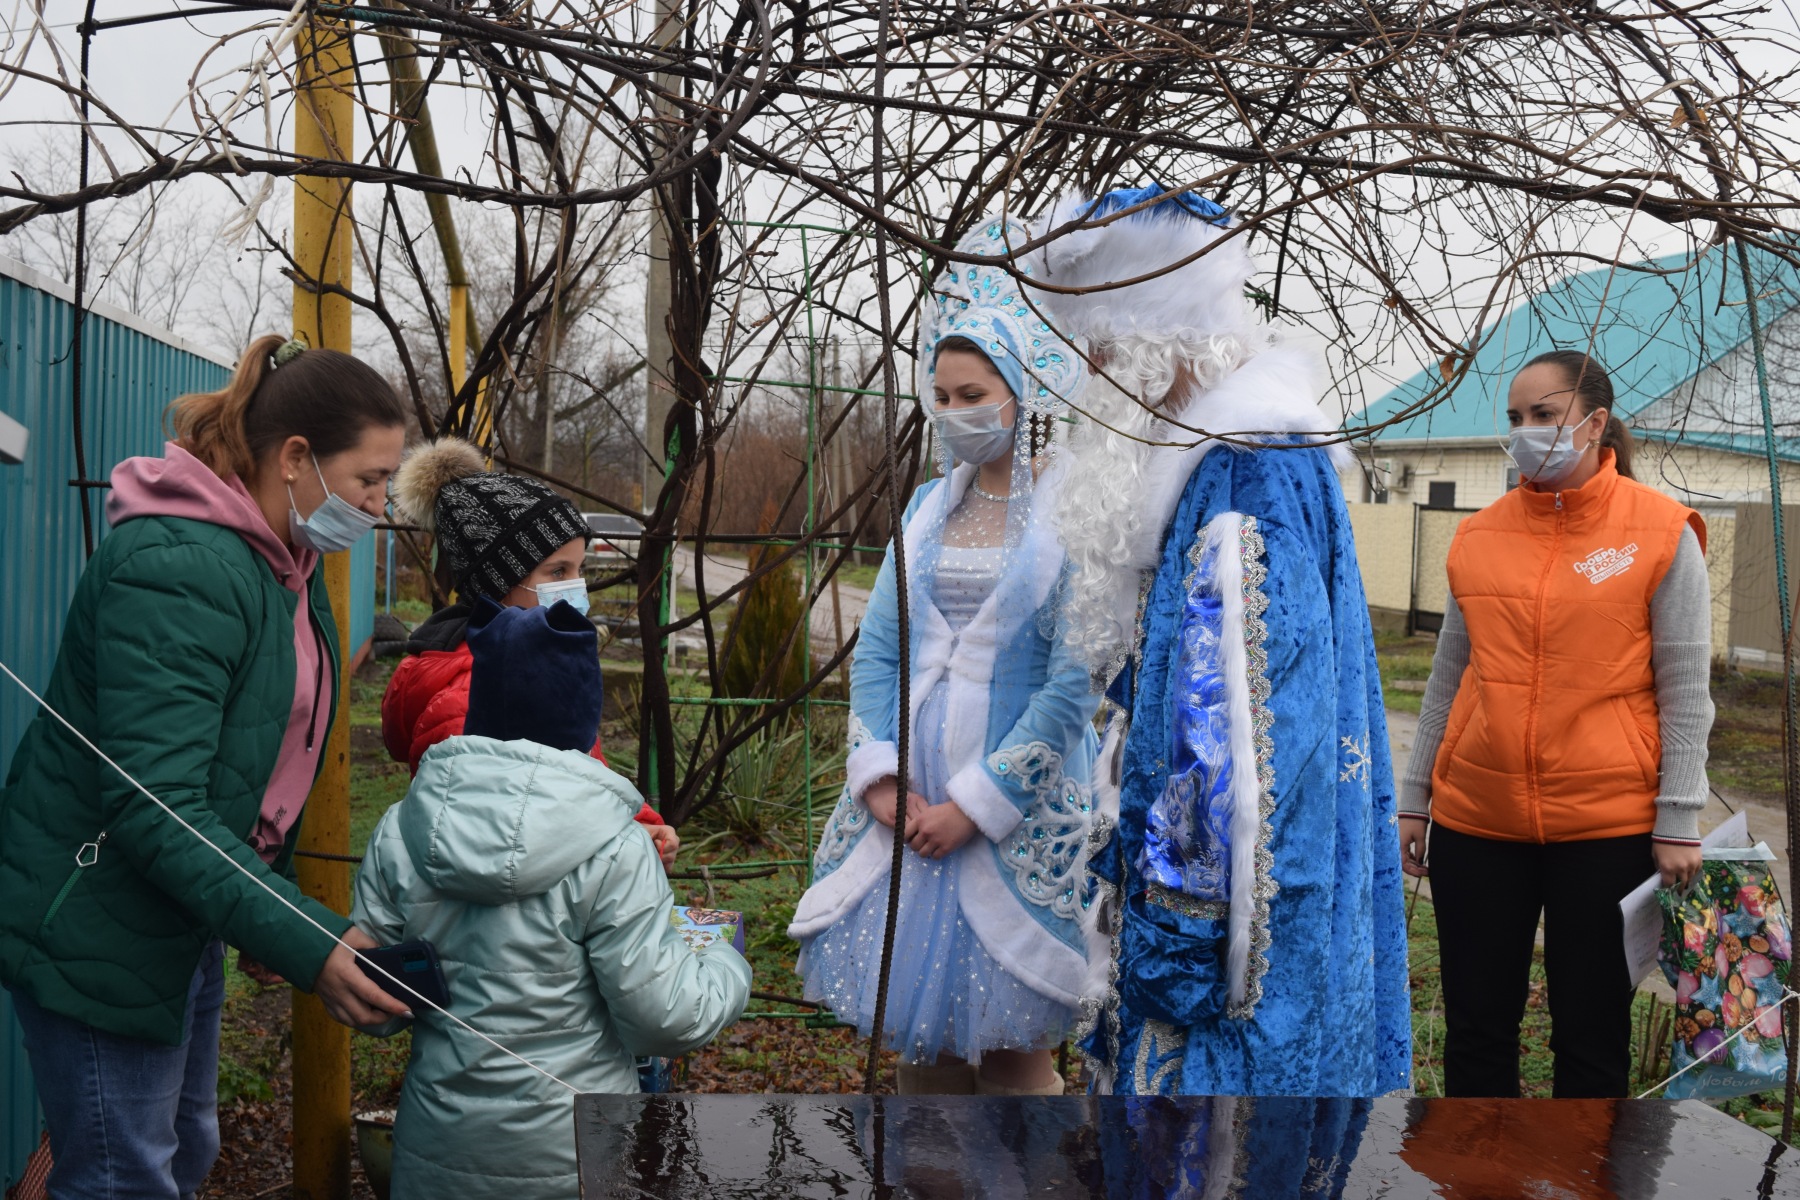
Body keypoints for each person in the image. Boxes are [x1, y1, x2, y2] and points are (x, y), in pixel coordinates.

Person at [0, 334, 416, 1198]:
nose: (380, 504)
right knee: (122, 1177)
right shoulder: (181, 567)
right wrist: (304, 936)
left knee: (183, 1150)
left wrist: (269, 908)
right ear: (295, 458)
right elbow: (155, 805)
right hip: (100, 917)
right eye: (370, 478)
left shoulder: (284, 562)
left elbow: (262, 758)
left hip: (177, 910)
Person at [1039, 185, 1412, 1096]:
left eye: (1098, 352)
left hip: (1221, 972)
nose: (1090, 377)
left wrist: (1175, 948)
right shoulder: (1254, 458)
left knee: (1204, 1140)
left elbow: (1224, 751)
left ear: (1148, 344)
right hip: (1268, 917)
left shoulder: (1238, 477)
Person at [787, 212, 1105, 1095]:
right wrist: (883, 781)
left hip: (1011, 812)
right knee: (922, 1053)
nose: (956, 412)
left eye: (974, 394)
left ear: (1024, 389)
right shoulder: (930, 507)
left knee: (1014, 1057)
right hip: (911, 810)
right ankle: (925, 1169)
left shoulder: (1078, 516)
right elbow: (880, 652)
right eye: (944, 395)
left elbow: (1073, 682)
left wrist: (978, 803)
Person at [352, 597, 751, 1198]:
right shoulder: (616, 847)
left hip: (437, 1150)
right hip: (576, 1155)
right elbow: (664, 1019)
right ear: (584, 719)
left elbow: (376, 1003)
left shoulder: (400, 829)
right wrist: (725, 961)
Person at [1396, 350, 1712, 1098]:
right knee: (1477, 1035)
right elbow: (1449, 678)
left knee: (1591, 1043)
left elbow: (1686, 690)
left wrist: (1678, 817)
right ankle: (1478, 1162)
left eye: (1544, 414)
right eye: (1516, 417)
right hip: (1478, 822)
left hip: (1607, 830)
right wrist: (1415, 797)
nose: (1525, 431)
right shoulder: (1479, 536)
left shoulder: (1660, 532)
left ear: (1595, 423)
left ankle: (1581, 1166)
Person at [385, 437, 677, 867]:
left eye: (579, 569)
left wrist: (639, 822)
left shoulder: (535, 663)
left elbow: (582, 771)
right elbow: (506, 834)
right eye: (557, 572)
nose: (576, 586)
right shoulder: (472, 692)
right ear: (497, 583)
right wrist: (625, 842)